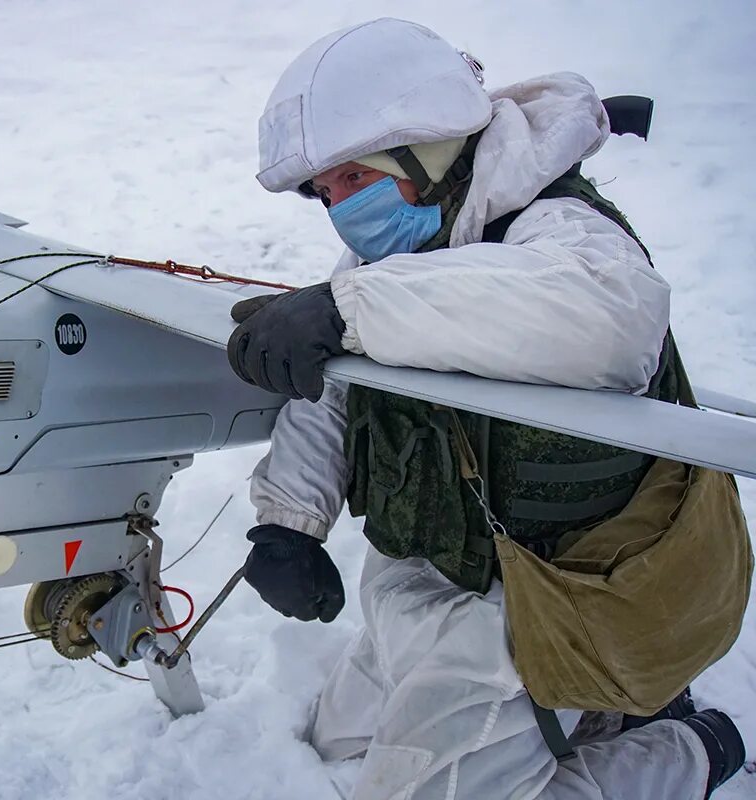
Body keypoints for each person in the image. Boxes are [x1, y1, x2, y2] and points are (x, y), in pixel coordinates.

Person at [227, 18, 747, 800]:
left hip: (557, 592)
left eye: (350, 179)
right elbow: (338, 386)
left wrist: (349, 309)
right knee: (331, 745)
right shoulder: (391, 255)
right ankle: (581, 717)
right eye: (323, 192)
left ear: (424, 154)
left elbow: (611, 320)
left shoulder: (557, 224)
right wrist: (286, 522)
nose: (338, 210)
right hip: (430, 571)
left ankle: (690, 750)